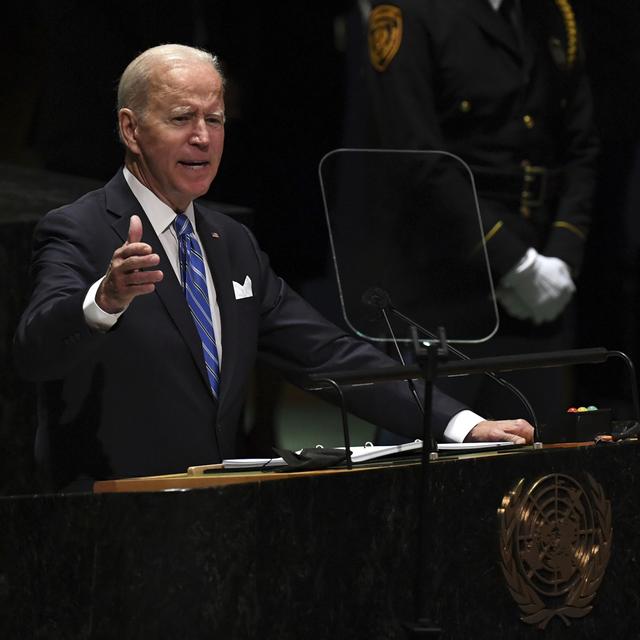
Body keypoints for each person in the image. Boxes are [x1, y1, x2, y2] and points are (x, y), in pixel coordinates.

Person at [13, 44, 532, 491]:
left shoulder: (231, 243)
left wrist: (460, 424)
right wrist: (103, 302)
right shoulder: (78, 230)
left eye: (213, 119)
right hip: (110, 524)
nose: (202, 137)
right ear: (130, 128)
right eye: (180, 118)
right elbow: (35, 351)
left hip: (218, 519)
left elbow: (329, 355)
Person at [363, 0, 598, 437]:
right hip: (443, 290)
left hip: (540, 294)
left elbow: (580, 148)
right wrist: (514, 262)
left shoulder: (551, 14)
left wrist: (561, 257)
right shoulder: (409, 12)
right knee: (424, 468)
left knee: (535, 473)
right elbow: (417, 157)